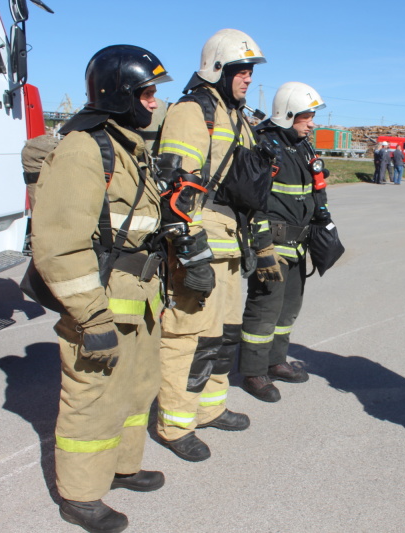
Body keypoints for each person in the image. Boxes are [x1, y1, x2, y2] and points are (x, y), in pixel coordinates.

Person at [31, 45, 172, 532]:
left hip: (139, 299)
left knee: (136, 390)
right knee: (92, 397)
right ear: (120, 95)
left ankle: (122, 466)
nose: (154, 102)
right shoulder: (84, 149)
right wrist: (90, 316)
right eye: (147, 92)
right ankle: (81, 494)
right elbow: (59, 245)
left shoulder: (130, 145)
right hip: (101, 303)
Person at [155, 29, 266, 462]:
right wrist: (191, 254)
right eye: (241, 70)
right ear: (217, 69)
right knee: (188, 336)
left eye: (250, 71)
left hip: (230, 244)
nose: (248, 79)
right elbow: (174, 190)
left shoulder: (236, 117)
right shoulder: (193, 111)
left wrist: (255, 243)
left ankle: (209, 408)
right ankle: (175, 424)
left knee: (223, 335)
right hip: (201, 245)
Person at [238, 82, 329, 402]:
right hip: (272, 245)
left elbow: (316, 189)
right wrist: (261, 248)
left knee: (289, 308)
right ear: (288, 114)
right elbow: (254, 203)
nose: (312, 123)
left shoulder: (302, 146)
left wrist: (323, 225)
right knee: (265, 307)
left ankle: (275, 361)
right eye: (307, 117)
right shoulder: (265, 146)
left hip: (298, 245)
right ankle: (253, 371)